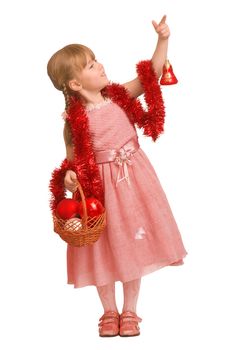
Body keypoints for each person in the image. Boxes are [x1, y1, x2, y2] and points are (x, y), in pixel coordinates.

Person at [47, 15, 187, 337]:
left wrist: (163, 39)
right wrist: (70, 178)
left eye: (96, 60)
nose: (99, 65)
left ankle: (131, 311)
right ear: (76, 84)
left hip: (133, 182)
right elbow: (72, 162)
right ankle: (109, 311)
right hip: (100, 191)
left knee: (131, 242)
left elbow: (151, 75)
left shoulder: (119, 95)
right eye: (90, 65)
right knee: (105, 247)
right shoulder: (73, 122)